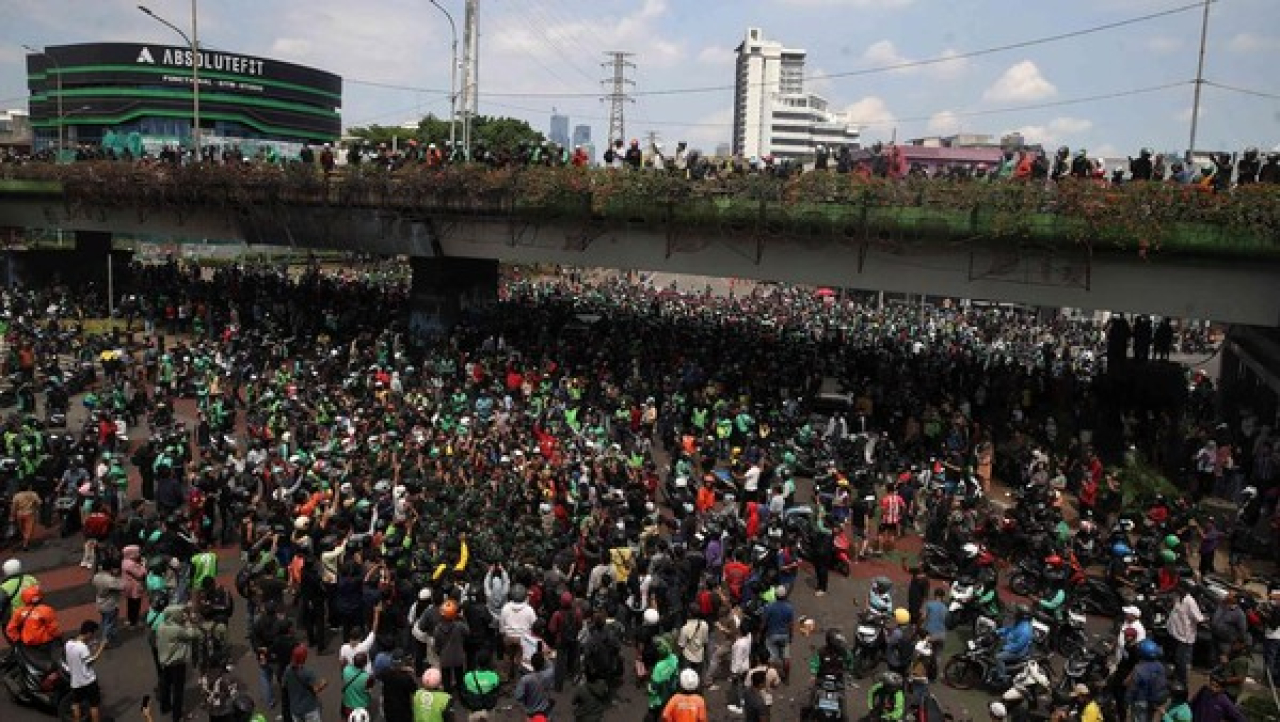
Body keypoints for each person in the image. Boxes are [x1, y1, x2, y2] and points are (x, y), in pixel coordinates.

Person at [155, 604, 202, 722]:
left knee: (166, 685)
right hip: (177, 663)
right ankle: (177, 715)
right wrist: (189, 622)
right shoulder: (176, 630)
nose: (183, 615)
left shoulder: (161, 626)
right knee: (178, 690)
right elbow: (193, 634)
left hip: (165, 662)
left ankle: (164, 707)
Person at [65, 620, 106, 722]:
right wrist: (101, 647)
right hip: (88, 681)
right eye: (92, 634)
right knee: (94, 706)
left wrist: (89, 646)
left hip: (75, 682)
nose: (92, 637)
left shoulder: (68, 644)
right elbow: (90, 662)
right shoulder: (82, 648)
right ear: (88, 633)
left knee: (76, 704)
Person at [1166, 581, 1204, 688]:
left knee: (1180, 660)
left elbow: (1199, 618)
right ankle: (1176, 676)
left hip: (1184, 637)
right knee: (1175, 658)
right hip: (1174, 633)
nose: (1176, 590)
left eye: (1178, 588)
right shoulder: (1178, 598)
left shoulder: (1190, 602)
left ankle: (1182, 682)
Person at [1127, 639, 1169, 722]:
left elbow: (1133, 687)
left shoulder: (1139, 668)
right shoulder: (1160, 666)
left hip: (1141, 700)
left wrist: (1127, 700)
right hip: (1154, 700)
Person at [282, 643, 327, 722]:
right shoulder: (308, 673)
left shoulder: (287, 669)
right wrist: (324, 683)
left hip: (295, 708)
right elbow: (316, 689)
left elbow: (284, 685)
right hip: (309, 708)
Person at [992, 605, 1033, 685]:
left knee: (998, 657)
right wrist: (997, 632)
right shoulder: (1019, 623)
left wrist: (1005, 648)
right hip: (1010, 644)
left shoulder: (1025, 630)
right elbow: (1009, 629)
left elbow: (1018, 646)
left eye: (1018, 612)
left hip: (1017, 652)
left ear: (1022, 615)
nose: (1015, 614)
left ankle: (1002, 677)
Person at [761, 585, 794, 682]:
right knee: (786, 658)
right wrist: (791, 636)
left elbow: (764, 622)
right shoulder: (789, 608)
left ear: (775, 595)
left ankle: (771, 678)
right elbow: (791, 624)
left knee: (771, 657)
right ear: (785, 596)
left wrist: (760, 633)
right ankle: (786, 678)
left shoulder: (769, 607)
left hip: (772, 635)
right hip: (784, 635)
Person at [91, 562, 124, 648]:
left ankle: (107, 636)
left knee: (105, 621)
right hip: (109, 604)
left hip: (100, 602)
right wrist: (117, 577)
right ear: (111, 569)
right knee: (109, 623)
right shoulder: (110, 579)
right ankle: (105, 640)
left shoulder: (96, 576)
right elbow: (122, 586)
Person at [514, 652, 554, 718]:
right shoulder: (549, 674)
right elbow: (550, 665)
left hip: (531, 711)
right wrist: (544, 657)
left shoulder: (525, 679)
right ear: (543, 664)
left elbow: (518, 696)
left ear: (532, 664)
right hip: (545, 708)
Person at [340, 651, 374, 722]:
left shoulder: (346, 670)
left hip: (348, 704)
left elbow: (343, 678)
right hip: (362, 704)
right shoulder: (368, 677)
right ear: (365, 664)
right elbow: (369, 690)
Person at [10, 481, 42, 549]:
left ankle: (25, 541)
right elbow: (39, 503)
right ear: (28, 487)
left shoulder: (16, 495)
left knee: (22, 529)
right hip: (29, 513)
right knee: (28, 529)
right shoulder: (33, 494)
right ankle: (25, 543)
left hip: (19, 514)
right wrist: (36, 508)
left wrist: (12, 516)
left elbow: (13, 507)